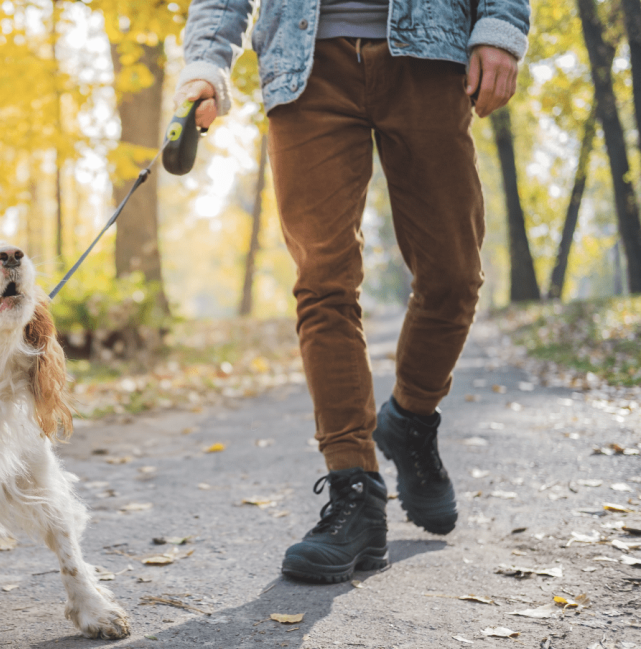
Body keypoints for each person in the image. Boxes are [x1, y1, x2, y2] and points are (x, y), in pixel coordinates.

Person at [173, 0, 529, 582]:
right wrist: (206, 63)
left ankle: (411, 419)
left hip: (429, 53)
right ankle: (354, 490)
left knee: (453, 276)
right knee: (323, 284)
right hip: (303, 65)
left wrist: (501, 25)